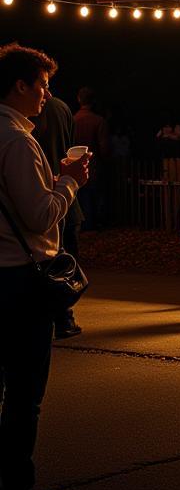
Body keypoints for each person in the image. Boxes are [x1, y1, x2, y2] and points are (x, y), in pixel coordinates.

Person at [0, 43, 89, 490]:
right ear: (21, 84)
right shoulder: (16, 140)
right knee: (23, 396)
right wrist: (69, 181)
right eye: (42, 85)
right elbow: (40, 216)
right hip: (18, 280)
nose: (46, 96)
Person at [32, 94, 86, 339]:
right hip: (66, 195)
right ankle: (64, 316)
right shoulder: (62, 108)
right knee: (63, 261)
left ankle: (52, 317)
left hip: (43, 195)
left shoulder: (20, 126)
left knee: (42, 263)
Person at [72, 87, 109, 230]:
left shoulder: (73, 120)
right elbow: (104, 147)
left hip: (75, 165)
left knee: (81, 196)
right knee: (95, 196)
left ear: (79, 99)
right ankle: (95, 224)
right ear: (93, 101)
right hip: (94, 165)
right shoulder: (99, 121)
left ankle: (83, 224)